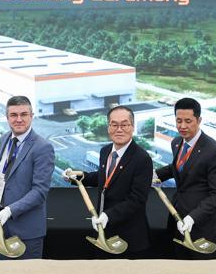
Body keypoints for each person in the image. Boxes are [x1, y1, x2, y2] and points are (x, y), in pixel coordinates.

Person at [0, 95, 54, 260]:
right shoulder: (5, 138)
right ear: (7, 117)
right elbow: (8, 167)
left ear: (32, 116)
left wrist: (10, 210)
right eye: (14, 115)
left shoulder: (43, 147)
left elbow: (39, 192)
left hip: (25, 230)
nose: (19, 119)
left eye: (24, 114)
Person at [63, 104, 152, 257]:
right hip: (104, 232)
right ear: (108, 127)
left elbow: (137, 199)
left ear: (132, 127)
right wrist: (75, 177)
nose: (119, 129)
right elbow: (103, 178)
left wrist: (108, 215)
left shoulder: (142, 158)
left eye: (124, 125)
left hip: (128, 238)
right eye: (114, 124)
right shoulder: (105, 151)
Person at [152, 98, 216, 257]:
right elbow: (179, 168)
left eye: (188, 121)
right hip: (178, 221)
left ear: (199, 120)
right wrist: (154, 174)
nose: (182, 126)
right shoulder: (176, 143)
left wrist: (192, 218)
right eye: (178, 121)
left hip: (204, 228)